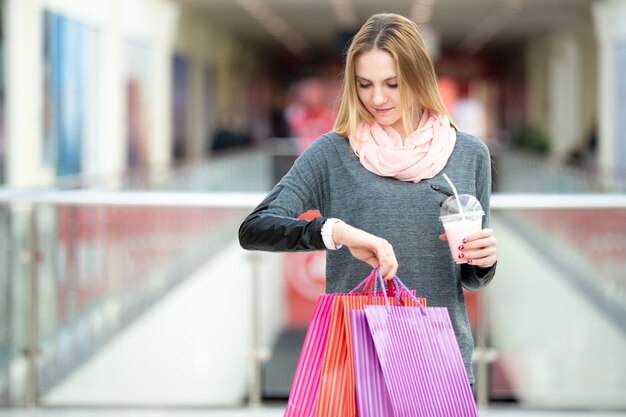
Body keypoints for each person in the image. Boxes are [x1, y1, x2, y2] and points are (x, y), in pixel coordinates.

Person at [239, 12, 497, 390]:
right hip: (355, 365)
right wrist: (335, 231)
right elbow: (255, 229)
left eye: (392, 84)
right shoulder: (333, 153)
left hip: (441, 364)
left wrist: (484, 261)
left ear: (418, 77)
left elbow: (471, 277)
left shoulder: (469, 154)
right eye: (364, 84)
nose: (377, 98)